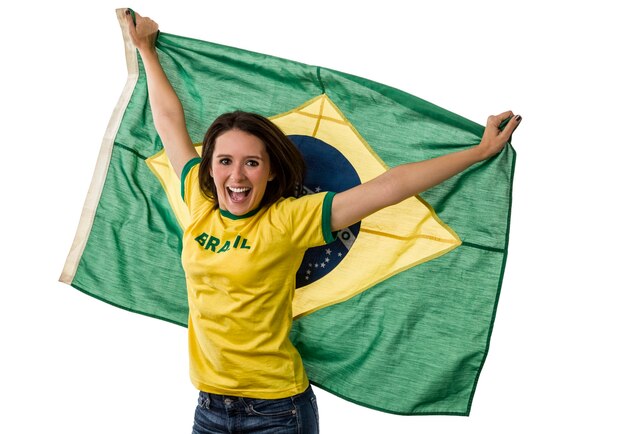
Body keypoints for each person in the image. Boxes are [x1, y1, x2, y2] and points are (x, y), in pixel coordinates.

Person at [126, 10, 521, 434]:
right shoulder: (197, 201)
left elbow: (391, 186)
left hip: (277, 412)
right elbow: (169, 122)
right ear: (211, 167)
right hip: (208, 407)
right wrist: (146, 49)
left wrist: (478, 153)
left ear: (271, 171)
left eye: (251, 163)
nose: (236, 176)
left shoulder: (291, 219)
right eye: (225, 161)